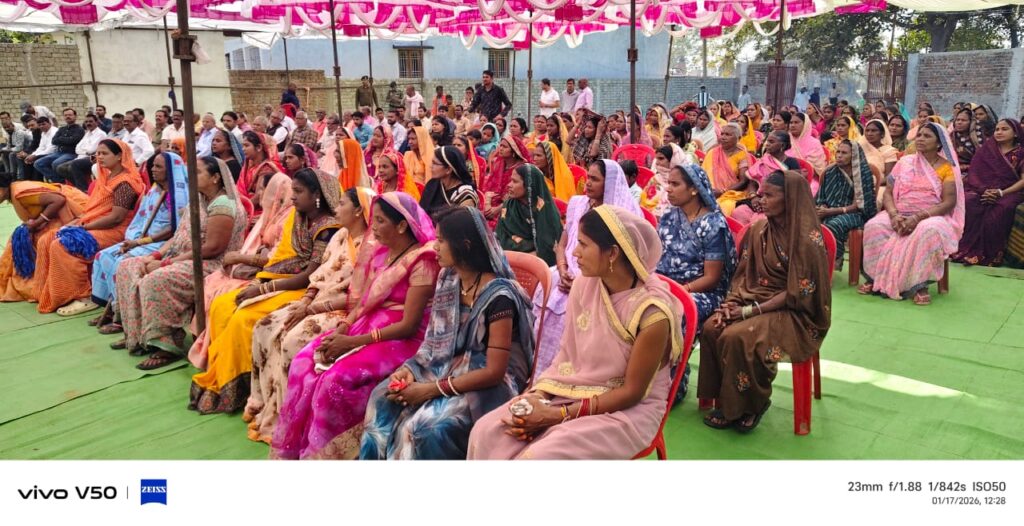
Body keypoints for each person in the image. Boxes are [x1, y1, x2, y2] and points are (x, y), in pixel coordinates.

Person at [468, 204, 683, 459]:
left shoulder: (652, 314)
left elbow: (631, 392)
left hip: (627, 410)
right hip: (571, 389)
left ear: (613, 253)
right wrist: (538, 395)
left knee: (539, 457)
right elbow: (567, 356)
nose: (574, 252)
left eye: (583, 244)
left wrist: (557, 415)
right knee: (485, 432)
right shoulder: (585, 285)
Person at [272, 192, 439, 459]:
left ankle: (332, 455)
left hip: (400, 338)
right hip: (366, 325)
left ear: (401, 225)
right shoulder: (382, 252)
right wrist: (344, 326)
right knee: (304, 361)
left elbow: (409, 325)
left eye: (381, 221)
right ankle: (299, 449)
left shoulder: (423, 260)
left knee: (334, 380)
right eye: (374, 220)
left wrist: (351, 342)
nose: (374, 228)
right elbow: (362, 301)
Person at [361, 206, 535, 459]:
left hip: (490, 380)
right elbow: (434, 339)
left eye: (441, 241)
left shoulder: (500, 296)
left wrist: (431, 389)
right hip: (446, 364)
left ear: (465, 245)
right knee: (382, 397)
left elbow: (495, 372)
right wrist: (409, 370)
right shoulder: (448, 279)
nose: (435, 247)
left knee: (423, 429)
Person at [192, 169, 342, 413]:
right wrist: (259, 282)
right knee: (223, 305)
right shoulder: (299, 217)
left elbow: (309, 276)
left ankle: (235, 385)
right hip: (282, 278)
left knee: (244, 317)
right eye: (292, 191)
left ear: (317, 194)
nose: (292, 197)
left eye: (298, 191)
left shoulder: (328, 228)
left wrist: (264, 287)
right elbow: (281, 258)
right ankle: (219, 371)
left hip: (305, 289)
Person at [699, 170, 832, 433]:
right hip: (753, 300)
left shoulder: (807, 240)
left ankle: (752, 405)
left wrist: (747, 311)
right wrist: (731, 304)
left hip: (796, 312)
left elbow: (799, 292)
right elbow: (742, 276)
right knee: (712, 327)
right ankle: (727, 400)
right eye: (760, 194)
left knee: (738, 336)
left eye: (769, 195)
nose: (760, 200)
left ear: (790, 199)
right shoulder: (758, 230)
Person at [246, 187, 377, 443]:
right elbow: (318, 277)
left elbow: (360, 297)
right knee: (265, 326)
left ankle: (288, 419)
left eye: (342, 204)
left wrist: (312, 308)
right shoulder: (340, 236)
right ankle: (263, 403)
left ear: (358, 211)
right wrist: (306, 301)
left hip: (341, 310)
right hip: (315, 301)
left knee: (291, 340)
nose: (336, 209)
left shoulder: (370, 247)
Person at [113, 157, 246, 368]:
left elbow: (212, 248)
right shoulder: (198, 199)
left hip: (212, 264)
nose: (191, 176)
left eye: (198, 172)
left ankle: (166, 344)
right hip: (183, 256)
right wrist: (156, 256)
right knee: (127, 266)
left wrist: (166, 264)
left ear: (215, 177)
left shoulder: (223, 204)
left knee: (156, 279)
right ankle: (137, 335)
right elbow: (178, 236)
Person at [531, 160, 642, 379]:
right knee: (549, 287)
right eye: (587, 177)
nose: (587, 183)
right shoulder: (578, 204)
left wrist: (581, 281)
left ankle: (568, 376)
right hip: (569, 270)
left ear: (609, 184)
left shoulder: (620, 216)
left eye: (595, 179)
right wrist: (563, 268)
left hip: (600, 278)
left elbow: (619, 265)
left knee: (570, 307)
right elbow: (562, 245)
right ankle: (539, 374)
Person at [185, 172, 294, 368]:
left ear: (279, 193)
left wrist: (240, 258)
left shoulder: (288, 219)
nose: (260, 194)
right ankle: (208, 349)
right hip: (257, 267)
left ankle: (224, 356)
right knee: (211, 282)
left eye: (265, 190)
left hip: (270, 272)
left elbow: (279, 260)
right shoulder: (271, 214)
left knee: (226, 296)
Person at [34, 139, 146, 315]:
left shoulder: (125, 183)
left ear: (119, 156)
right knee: (47, 238)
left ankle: (84, 296)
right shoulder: (106, 178)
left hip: (115, 231)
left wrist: (83, 228)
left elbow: (116, 218)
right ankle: (52, 292)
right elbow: (91, 211)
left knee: (63, 245)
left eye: (104, 153)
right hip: (95, 225)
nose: (99, 157)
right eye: (98, 153)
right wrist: (76, 223)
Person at [859, 122, 964, 305]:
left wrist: (917, 217)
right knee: (874, 226)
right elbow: (888, 192)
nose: (920, 139)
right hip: (899, 212)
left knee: (928, 231)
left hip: (932, 215)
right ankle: (875, 278)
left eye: (927, 136)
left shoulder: (947, 168)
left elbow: (949, 202)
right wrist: (893, 215)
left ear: (939, 143)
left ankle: (919, 285)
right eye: (919, 135)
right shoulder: (905, 162)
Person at [88, 152, 191, 332]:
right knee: (102, 256)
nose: (153, 170)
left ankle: (124, 316)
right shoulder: (155, 190)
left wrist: (141, 242)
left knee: (120, 263)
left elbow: (174, 229)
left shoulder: (178, 195)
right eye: (152, 166)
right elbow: (142, 218)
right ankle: (112, 309)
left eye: (158, 166)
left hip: (162, 243)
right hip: (142, 239)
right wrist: (135, 239)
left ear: (171, 170)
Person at [656, 163, 737, 335]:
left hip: (702, 292)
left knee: (670, 311)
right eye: (668, 183)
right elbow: (656, 256)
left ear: (694, 189)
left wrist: (681, 290)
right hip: (665, 285)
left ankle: (674, 353)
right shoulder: (669, 216)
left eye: (675, 184)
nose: (668, 189)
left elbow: (711, 278)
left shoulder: (713, 224)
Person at [0, 174, 89, 302]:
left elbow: (58, 200)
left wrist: (38, 222)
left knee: (42, 240)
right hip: (57, 213)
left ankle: (44, 285)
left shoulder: (20, 192)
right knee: (16, 241)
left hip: (75, 211)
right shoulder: (14, 191)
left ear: (2, 188)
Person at [953, 119, 1024, 266]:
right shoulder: (987, 150)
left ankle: (991, 254)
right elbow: (975, 173)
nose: (999, 132)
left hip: (1010, 192)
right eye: (997, 129)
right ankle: (963, 248)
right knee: (969, 201)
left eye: (1004, 129)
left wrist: (1001, 193)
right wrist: (984, 190)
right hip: (982, 190)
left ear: (1016, 133)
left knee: (1001, 209)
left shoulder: (1021, 153)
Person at [816, 141, 879, 266]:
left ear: (853, 155)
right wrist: (822, 208)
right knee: (807, 222)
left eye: (844, 153)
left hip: (855, 214)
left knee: (834, 225)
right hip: (829, 211)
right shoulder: (830, 171)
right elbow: (821, 197)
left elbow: (857, 205)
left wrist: (830, 212)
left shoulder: (862, 174)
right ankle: (814, 261)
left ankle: (832, 259)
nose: (839, 155)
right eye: (838, 152)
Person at [496, 164, 564, 266]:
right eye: (511, 180)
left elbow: (547, 249)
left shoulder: (544, 211)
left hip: (536, 264)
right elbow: (500, 237)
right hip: (507, 260)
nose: (509, 185)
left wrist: (525, 258)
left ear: (529, 185)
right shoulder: (508, 206)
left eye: (515, 181)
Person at [733, 131, 802, 225]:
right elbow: (752, 182)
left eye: (771, 142)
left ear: (782, 145)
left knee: (759, 221)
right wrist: (753, 197)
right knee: (738, 212)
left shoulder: (792, 163)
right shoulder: (764, 160)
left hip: (778, 203)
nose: (767, 144)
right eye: (767, 141)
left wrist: (768, 201)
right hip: (759, 198)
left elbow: (794, 188)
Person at [702, 123, 753, 216]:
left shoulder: (742, 155)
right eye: (722, 134)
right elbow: (703, 175)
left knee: (723, 207)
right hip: (708, 190)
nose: (723, 137)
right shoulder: (712, 152)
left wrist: (722, 191)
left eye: (728, 135)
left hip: (730, 194)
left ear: (738, 138)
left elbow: (743, 182)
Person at [420, 145, 479, 218]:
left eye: (435, 163)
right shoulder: (432, 184)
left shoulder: (465, 195)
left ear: (448, 169)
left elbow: (461, 223)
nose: (431, 166)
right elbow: (421, 212)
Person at [482, 135, 530, 223]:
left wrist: (497, 209)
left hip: (512, 207)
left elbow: (518, 196)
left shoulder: (521, 169)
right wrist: (488, 204)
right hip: (492, 204)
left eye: (504, 147)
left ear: (514, 151)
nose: (500, 148)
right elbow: (489, 187)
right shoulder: (498, 164)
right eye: (500, 145)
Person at [236, 130, 283, 208]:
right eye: (243, 146)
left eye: (246, 145)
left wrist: (241, 209)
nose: (243, 149)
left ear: (258, 147)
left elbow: (258, 197)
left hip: (257, 208)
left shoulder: (267, 168)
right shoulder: (249, 164)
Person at [34, 108, 84, 183]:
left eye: (70, 115)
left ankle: (61, 183)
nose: (68, 117)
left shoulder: (79, 129)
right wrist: (67, 139)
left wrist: (61, 139)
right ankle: (58, 181)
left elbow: (73, 141)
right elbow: (54, 141)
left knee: (56, 163)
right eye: (65, 115)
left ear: (75, 116)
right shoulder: (62, 129)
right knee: (38, 163)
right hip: (59, 153)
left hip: (71, 153)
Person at [787, 112, 828, 193]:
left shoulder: (814, 143)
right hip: (785, 176)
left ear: (805, 124)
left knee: (811, 189)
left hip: (809, 179)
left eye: (796, 122)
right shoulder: (785, 140)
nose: (792, 125)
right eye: (791, 123)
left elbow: (819, 168)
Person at [859, 119, 899, 185]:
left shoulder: (889, 151)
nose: (869, 134)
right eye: (867, 130)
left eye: (874, 131)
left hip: (880, 186)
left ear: (882, 134)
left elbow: (889, 177)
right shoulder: (859, 149)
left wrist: (870, 185)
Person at [950, 108, 983, 173]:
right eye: (957, 120)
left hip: (978, 171)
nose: (959, 122)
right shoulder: (951, 137)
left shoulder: (980, 137)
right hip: (954, 172)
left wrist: (968, 167)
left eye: (963, 120)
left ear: (971, 122)